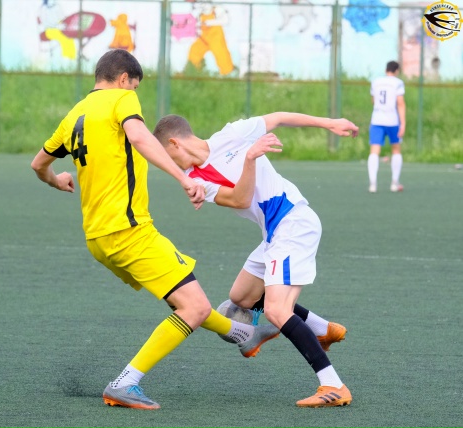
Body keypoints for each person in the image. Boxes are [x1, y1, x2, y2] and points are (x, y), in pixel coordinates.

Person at [30, 49, 279, 411]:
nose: (135, 94)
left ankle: (243, 333)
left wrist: (57, 180)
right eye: (134, 86)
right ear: (123, 79)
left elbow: (38, 164)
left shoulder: (74, 115)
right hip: (128, 231)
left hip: (98, 238)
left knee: (185, 300)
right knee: (194, 307)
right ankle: (124, 383)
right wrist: (183, 178)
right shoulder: (122, 99)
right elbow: (140, 138)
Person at [153, 112, 359, 407]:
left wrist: (329, 123)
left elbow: (279, 117)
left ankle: (333, 385)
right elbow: (241, 199)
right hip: (274, 233)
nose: (169, 166)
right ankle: (322, 328)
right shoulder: (195, 179)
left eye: (167, 157)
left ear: (174, 143)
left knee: (276, 310)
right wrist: (250, 159)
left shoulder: (232, 134)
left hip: (292, 222)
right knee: (242, 297)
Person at [368, 60, 406, 193]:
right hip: (392, 120)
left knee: (374, 150)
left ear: (386, 70)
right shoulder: (398, 82)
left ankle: (373, 184)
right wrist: (403, 123)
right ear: (397, 71)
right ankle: (394, 183)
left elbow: (373, 100)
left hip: (377, 119)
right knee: (396, 149)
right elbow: (400, 103)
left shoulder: (376, 81)